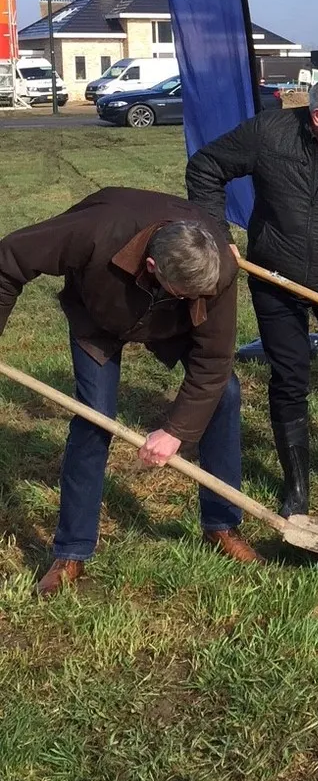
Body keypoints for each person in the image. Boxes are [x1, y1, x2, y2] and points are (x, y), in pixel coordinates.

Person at [0, 187, 256, 597]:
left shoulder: (217, 270)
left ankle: (222, 525)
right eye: (186, 291)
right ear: (152, 266)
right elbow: (9, 258)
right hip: (99, 318)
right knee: (94, 417)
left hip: (171, 323)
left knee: (224, 393)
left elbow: (213, 361)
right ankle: (72, 552)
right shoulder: (95, 230)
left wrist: (176, 430)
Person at [186, 72, 318, 516]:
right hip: (275, 278)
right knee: (290, 377)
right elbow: (205, 167)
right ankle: (297, 490)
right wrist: (216, 231)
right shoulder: (270, 134)